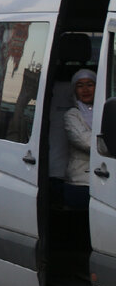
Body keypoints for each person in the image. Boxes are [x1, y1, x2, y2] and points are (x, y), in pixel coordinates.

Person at [62, 68, 96, 211]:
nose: (85, 89)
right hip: (80, 183)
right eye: (80, 86)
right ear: (75, 90)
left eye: (90, 84)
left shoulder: (103, 111)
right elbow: (87, 142)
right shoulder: (72, 115)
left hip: (104, 181)